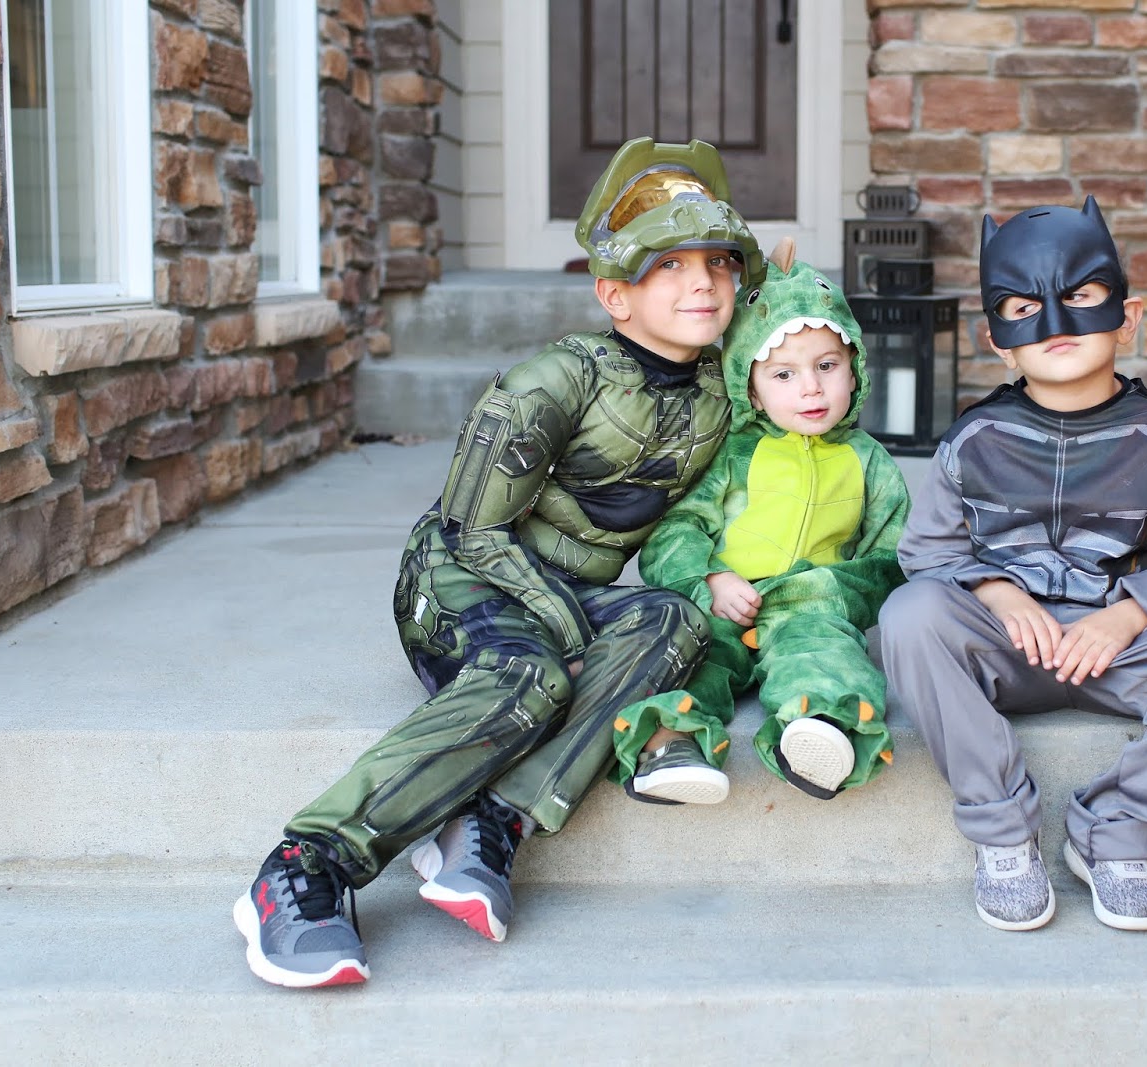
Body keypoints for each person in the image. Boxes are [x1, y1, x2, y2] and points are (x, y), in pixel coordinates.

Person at [233, 137, 764, 988]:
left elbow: (800, 346)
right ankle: (306, 864)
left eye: (718, 263)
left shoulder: (718, 387)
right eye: (668, 265)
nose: (701, 283)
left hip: (568, 588)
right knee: (533, 675)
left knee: (673, 620)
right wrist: (567, 632)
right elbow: (473, 529)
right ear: (615, 294)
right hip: (460, 576)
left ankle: (490, 821)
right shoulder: (554, 380)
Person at [878, 197, 1147, 934]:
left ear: (1129, 317)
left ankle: (1113, 829)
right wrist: (998, 593)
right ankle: (1002, 831)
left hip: (1119, 655)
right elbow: (928, 553)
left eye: (1083, 296)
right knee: (910, 615)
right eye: (1024, 308)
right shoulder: (972, 437)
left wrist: (1127, 616)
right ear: (998, 341)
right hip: (1006, 649)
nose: (1054, 323)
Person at [605, 240, 910, 805]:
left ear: (854, 370)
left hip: (811, 611)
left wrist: (832, 593)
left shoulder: (870, 462)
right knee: (693, 660)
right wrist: (710, 580)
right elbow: (676, 529)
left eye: (827, 366)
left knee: (826, 657)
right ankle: (672, 745)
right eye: (784, 374)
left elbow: (891, 554)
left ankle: (819, 728)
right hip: (722, 606)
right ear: (751, 387)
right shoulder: (730, 455)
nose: (811, 387)